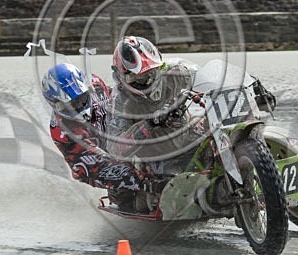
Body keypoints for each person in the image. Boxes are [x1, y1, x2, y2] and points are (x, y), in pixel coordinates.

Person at [41, 63, 146, 194]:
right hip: (93, 164)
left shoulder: (95, 84)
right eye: (69, 106)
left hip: (119, 136)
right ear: (54, 104)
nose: (79, 108)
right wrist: (142, 179)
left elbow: (120, 98)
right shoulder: (62, 132)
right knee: (130, 186)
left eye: (81, 99)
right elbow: (96, 166)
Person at [106, 36, 198, 166]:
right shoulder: (120, 100)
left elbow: (208, 83)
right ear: (121, 76)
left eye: (151, 74)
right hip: (157, 164)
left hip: (190, 141)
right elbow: (114, 149)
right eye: (139, 78)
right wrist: (148, 123)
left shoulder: (178, 73)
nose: (148, 81)